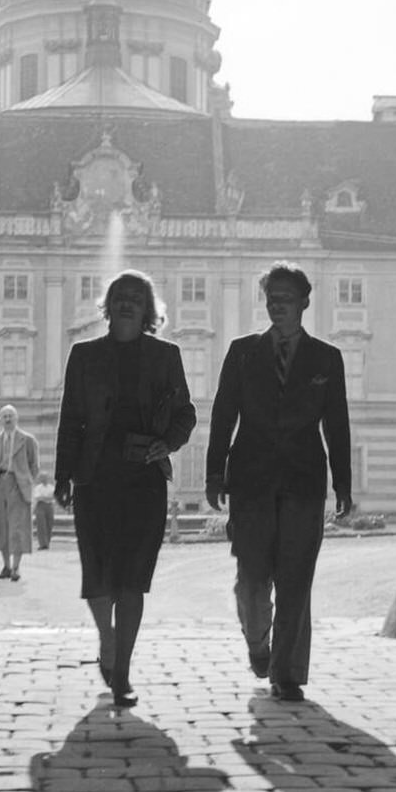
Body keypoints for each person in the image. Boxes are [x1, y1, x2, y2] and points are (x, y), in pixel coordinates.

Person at [206, 261, 352, 702]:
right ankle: (258, 642)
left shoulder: (327, 359)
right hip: (250, 480)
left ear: (304, 303)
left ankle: (288, 674)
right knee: (251, 579)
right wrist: (214, 473)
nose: (277, 307)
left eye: (286, 300)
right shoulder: (242, 352)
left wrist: (343, 484)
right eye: (271, 299)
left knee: (296, 580)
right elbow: (222, 415)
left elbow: (337, 424)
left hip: (305, 481)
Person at [54, 269, 196, 707]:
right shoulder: (83, 355)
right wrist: (62, 474)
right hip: (95, 477)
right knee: (97, 579)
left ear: (148, 309)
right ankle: (108, 641)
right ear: (109, 305)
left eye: (136, 298)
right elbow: (71, 418)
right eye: (120, 296)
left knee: (132, 580)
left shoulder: (166, 355)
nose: (127, 303)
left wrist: (166, 443)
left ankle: (123, 675)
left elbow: (185, 415)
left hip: (143, 479)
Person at [0, 404, 38, 581]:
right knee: (1, 527)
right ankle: (6, 567)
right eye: (5, 416)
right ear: (0, 420)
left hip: (18, 485)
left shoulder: (28, 440)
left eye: (11, 416)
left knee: (17, 527)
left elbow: (34, 466)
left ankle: (16, 568)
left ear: (17, 419)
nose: (8, 419)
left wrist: (24, 481)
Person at [32, 472, 56, 550]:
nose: (44, 479)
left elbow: (53, 497)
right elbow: (38, 497)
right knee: (41, 525)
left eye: (45, 477)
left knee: (49, 524)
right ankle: (42, 544)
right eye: (42, 477)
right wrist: (46, 498)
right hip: (40, 506)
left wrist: (45, 497)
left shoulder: (51, 487)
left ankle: (47, 543)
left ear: (47, 478)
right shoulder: (38, 488)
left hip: (49, 506)